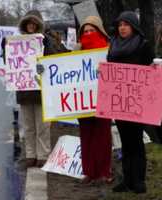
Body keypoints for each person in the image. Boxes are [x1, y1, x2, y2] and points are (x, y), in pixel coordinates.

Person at [107, 11, 155, 193]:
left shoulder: (143, 46)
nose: (122, 28)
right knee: (124, 142)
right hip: (119, 101)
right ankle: (127, 180)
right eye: (120, 25)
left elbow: (152, 71)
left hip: (137, 101)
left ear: (133, 27)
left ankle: (139, 181)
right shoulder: (113, 45)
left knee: (136, 141)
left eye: (126, 24)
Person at [16, 10, 61, 168]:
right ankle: (30, 155)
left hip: (42, 91)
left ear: (38, 25)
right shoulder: (17, 42)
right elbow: (10, 64)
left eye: (34, 23)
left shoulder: (45, 41)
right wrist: (4, 49)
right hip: (24, 92)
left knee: (42, 127)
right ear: (24, 25)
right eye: (29, 23)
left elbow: (54, 61)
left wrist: (47, 48)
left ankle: (43, 154)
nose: (31, 26)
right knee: (28, 127)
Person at [76, 16, 112, 183]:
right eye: (85, 31)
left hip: (103, 99)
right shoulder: (76, 51)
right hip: (82, 101)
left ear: (99, 31)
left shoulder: (109, 50)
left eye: (92, 30)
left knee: (103, 136)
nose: (89, 34)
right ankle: (89, 172)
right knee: (86, 136)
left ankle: (103, 171)